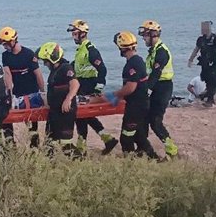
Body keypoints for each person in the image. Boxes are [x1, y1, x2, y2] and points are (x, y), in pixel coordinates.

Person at [68, 19, 118, 155]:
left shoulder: (91, 50)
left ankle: (83, 146)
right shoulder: (81, 49)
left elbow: (102, 70)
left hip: (88, 86)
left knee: (83, 115)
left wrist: (98, 89)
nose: (73, 37)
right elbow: (78, 66)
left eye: (74, 34)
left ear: (82, 34)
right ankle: (105, 139)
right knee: (83, 116)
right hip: (81, 85)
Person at [0, 26, 45, 147]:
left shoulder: (29, 54)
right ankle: (10, 143)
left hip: (32, 92)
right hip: (17, 92)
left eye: (6, 44)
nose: (4, 46)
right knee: (6, 116)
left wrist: (43, 92)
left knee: (31, 123)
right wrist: (9, 93)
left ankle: (34, 145)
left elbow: (38, 74)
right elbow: (7, 75)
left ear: (13, 41)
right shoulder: (6, 56)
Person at [112, 31, 158, 159]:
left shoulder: (133, 64)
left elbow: (130, 88)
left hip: (136, 107)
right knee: (139, 136)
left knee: (126, 138)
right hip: (139, 104)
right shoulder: (137, 61)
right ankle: (153, 158)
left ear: (122, 47)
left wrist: (115, 95)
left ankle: (130, 162)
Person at [138, 20, 178, 158]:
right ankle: (143, 148)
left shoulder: (161, 52)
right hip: (155, 86)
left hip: (162, 88)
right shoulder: (153, 51)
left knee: (155, 121)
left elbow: (156, 73)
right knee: (143, 119)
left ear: (152, 34)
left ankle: (171, 150)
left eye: (145, 35)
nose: (143, 38)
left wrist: (147, 90)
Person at [35, 42, 79, 155]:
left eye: (45, 61)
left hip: (65, 112)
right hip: (54, 112)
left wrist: (68, 99)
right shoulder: (55, 70)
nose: (45, 64)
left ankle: (79, 161)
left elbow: (75, 84)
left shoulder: (66, 68)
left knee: (66, 145)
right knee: (49, 143)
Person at [187, 21, 216, 108]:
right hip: (204, 63)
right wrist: (190, 60)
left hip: (214, 63)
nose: (203, 29)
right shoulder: (200, 39)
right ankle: (210, 100)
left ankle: (209, 100)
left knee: (214, 82)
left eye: (205, 27)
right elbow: (196, 49)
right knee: (207, 81)